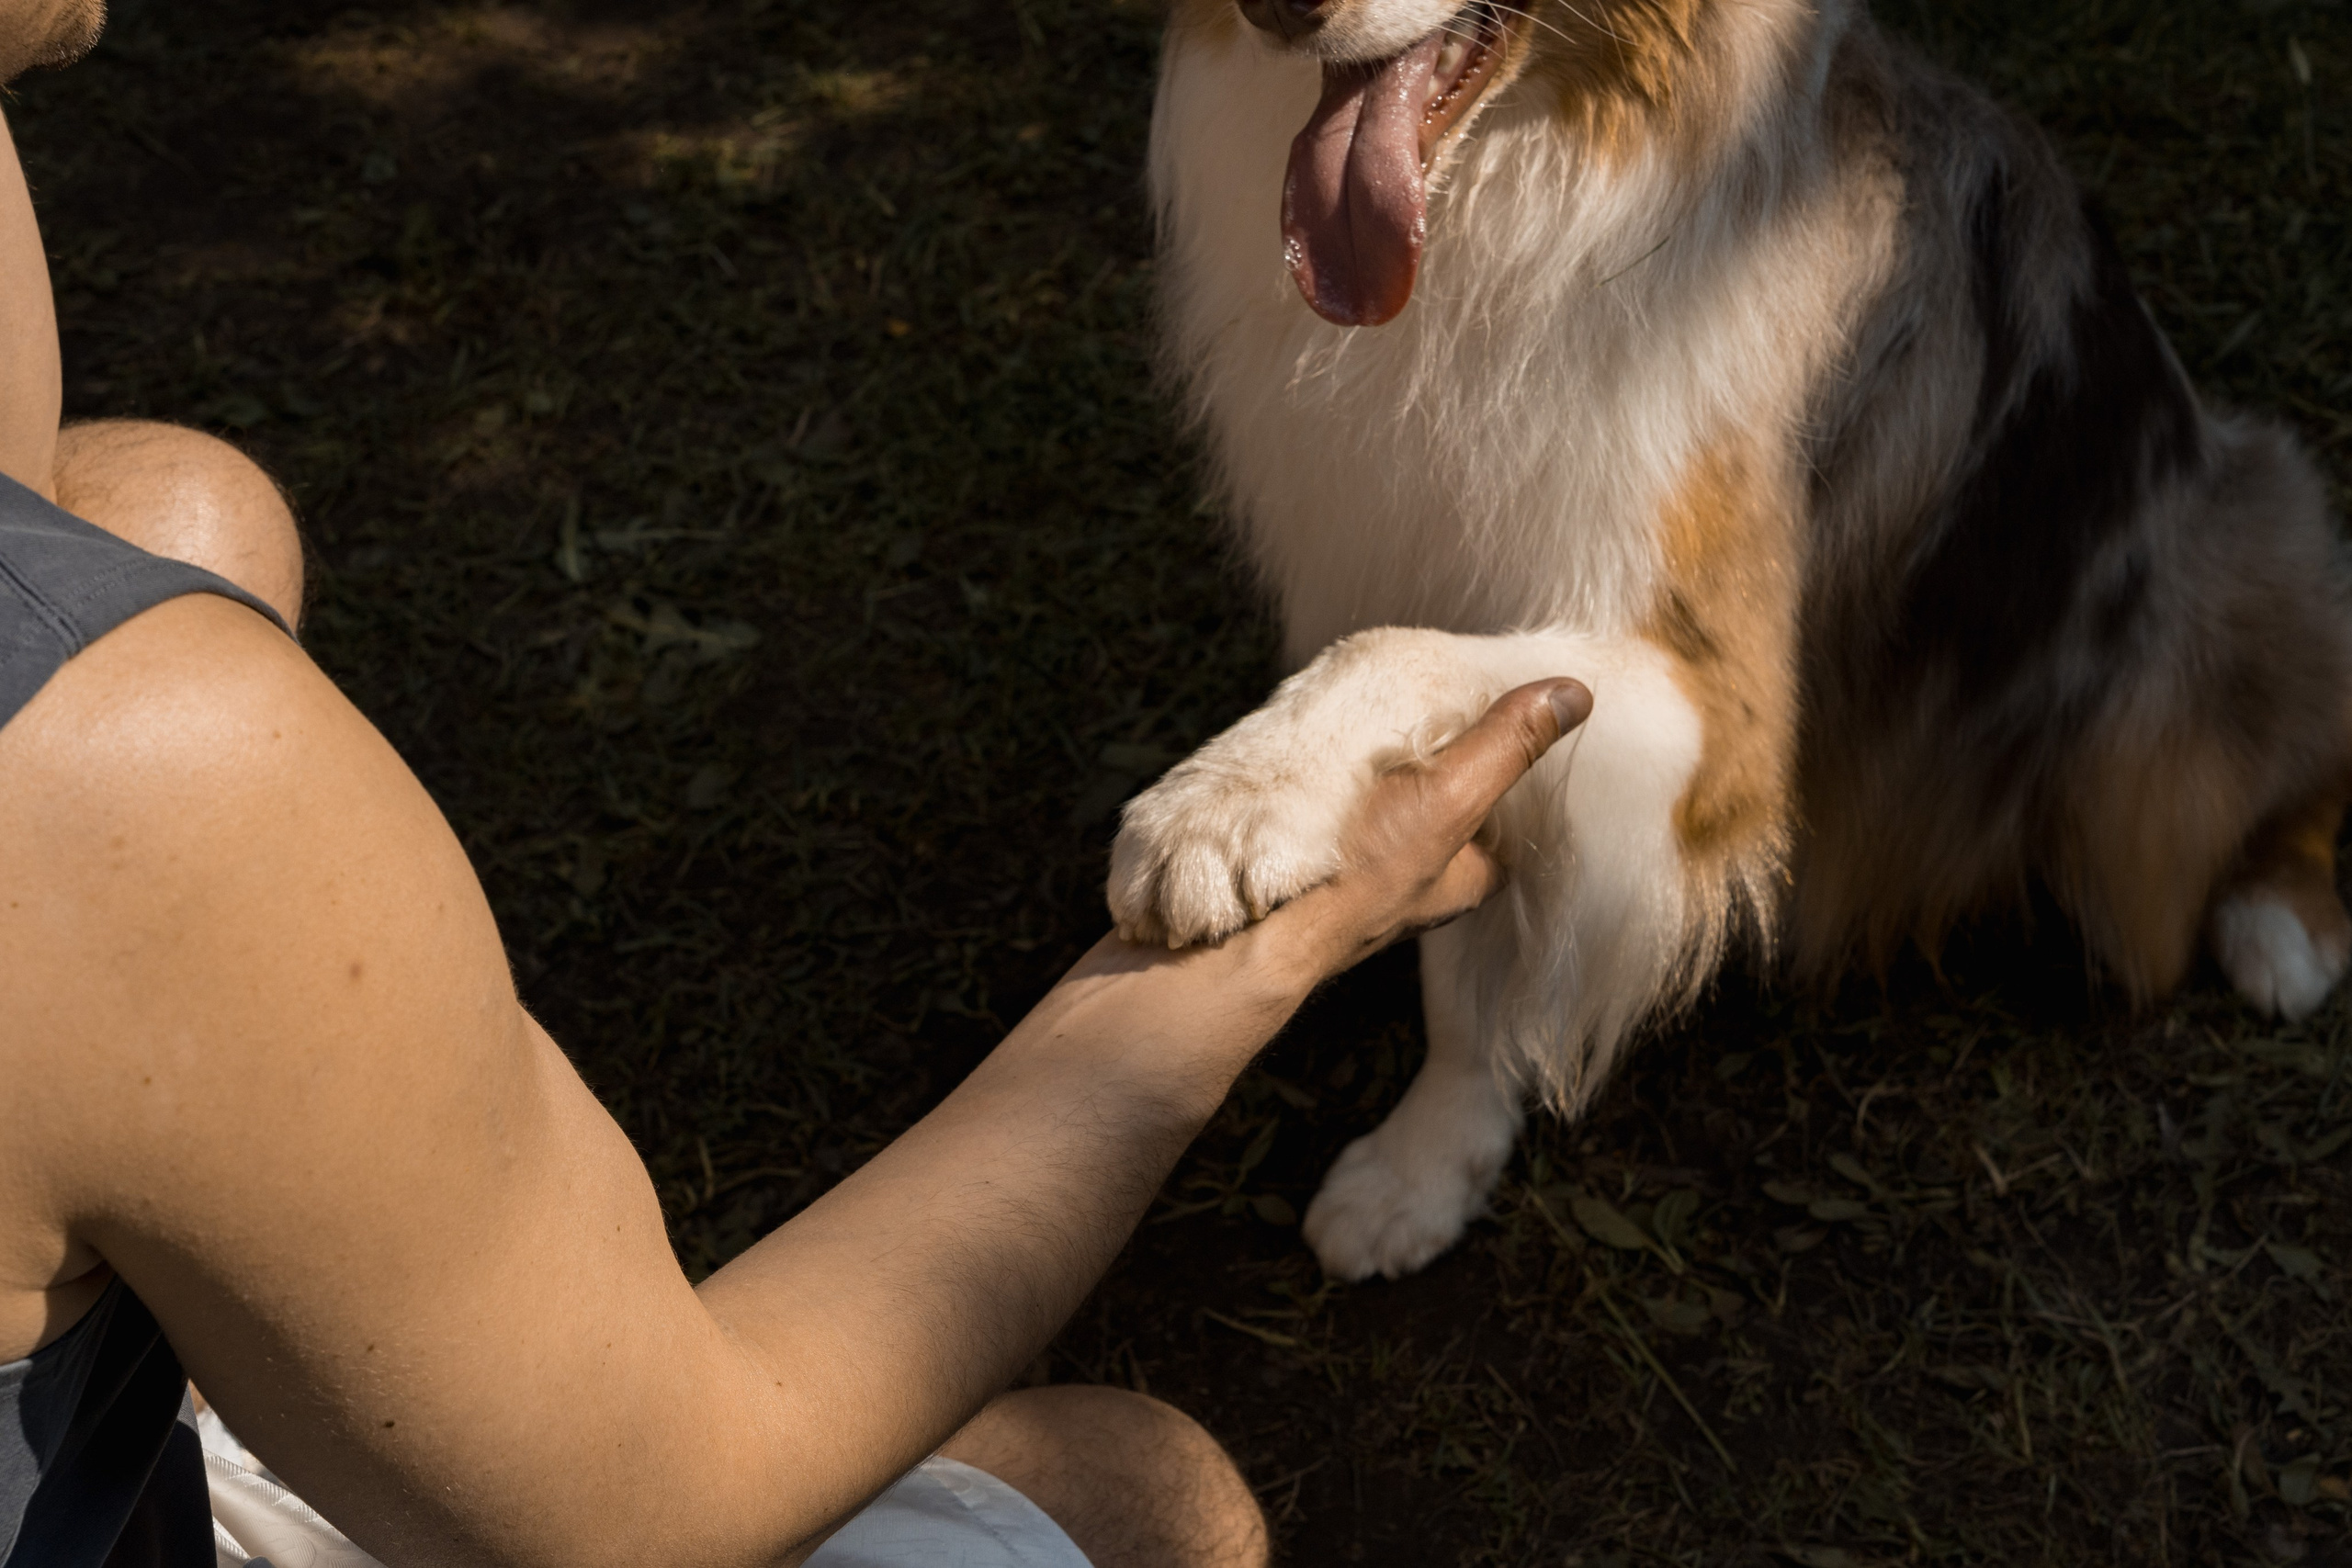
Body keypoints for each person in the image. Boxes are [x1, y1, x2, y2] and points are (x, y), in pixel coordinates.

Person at [0, 4, 1594, 1565]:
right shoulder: (125, 761)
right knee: (1153, 1497)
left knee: (189, 509)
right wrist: (1265, 954)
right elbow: (652, 1508)